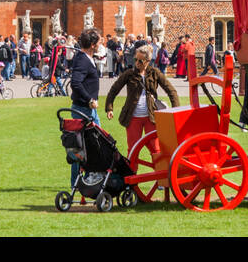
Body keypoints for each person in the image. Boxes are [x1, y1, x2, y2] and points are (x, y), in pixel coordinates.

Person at [105, 42, 179, 163]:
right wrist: (109, 108)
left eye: (140, 61)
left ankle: (160, 181)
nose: (137, 63)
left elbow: (171, 91)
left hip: (151, 117)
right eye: (136, 59)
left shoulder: (155, 73)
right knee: (133, 151)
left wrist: (176, 110)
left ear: (148, 61)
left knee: (156, 150)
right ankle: (132, 181)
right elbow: (114, 90)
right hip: (133, 117)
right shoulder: (129, 74)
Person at [68, 29, 102, 189]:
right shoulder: (82, 60)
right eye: (99, 42)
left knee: (95, 145)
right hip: (83, 109)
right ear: (93, 45)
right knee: (81, 148)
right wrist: (89, 99)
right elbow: (75, 83)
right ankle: (78, 182)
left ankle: (88, 178)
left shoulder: (86, 57)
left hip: (88, 110)